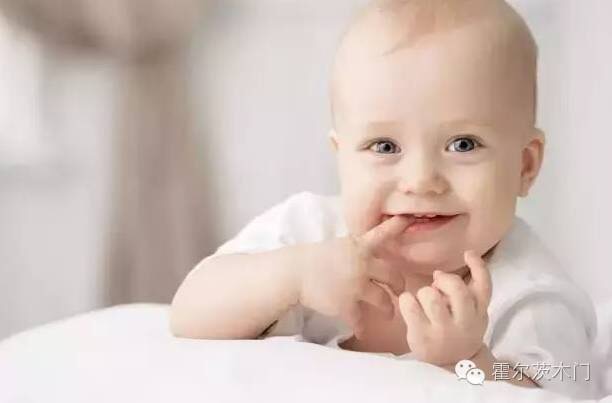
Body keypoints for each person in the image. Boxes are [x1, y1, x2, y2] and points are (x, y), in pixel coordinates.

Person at [170, 0, 598, 397]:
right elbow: (189, 312)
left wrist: (469, 362)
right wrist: (293, 276)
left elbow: (566, 387)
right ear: (342, 159)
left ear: (525, 166)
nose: (421, 181)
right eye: (385, 146)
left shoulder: (530, 298)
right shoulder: (310, 231)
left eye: (463, 144)